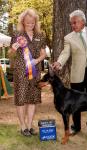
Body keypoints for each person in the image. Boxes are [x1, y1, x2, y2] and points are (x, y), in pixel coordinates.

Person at [52, 10, 87, 136]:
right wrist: (59, 63)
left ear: (82, 21)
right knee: (74, 102)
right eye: (71, 24)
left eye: (74, 23)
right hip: (77, 73)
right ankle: (76, 126)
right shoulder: (68, 37)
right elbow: (66, 53)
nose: (73, 25)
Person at [9, 8, 46, 136]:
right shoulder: (16, 35)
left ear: (36, 22)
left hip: (35, 71)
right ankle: (23, 126)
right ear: (23, 22)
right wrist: (13, 49)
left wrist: (37, 60)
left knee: (33, 99)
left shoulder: (40, 35)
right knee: (21, 98)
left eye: (33, 22)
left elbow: (43, 54)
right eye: (28, 22)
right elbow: (10, 55)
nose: (30, 25)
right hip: (20, 71)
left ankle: (30, 126)